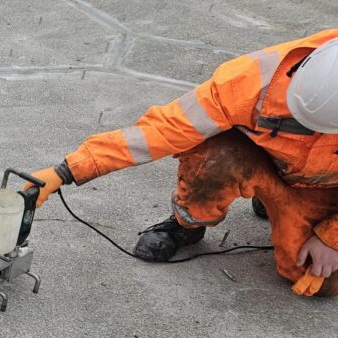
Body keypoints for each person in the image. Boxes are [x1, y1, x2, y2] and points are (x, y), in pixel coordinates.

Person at [26, 30, 338, 297]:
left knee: (322, 281)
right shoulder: (252, 81)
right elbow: (162, 131)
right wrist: (65, 171)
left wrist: (330, 238)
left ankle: (279, 203)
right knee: (215, 162)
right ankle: (187, 227)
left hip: (324, 187)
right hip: (260, 158)